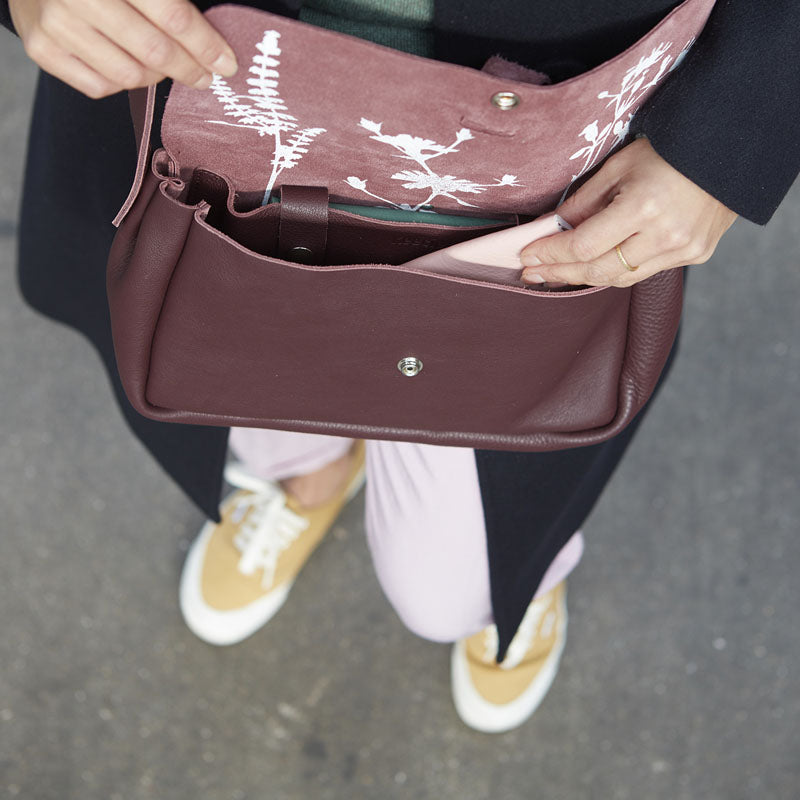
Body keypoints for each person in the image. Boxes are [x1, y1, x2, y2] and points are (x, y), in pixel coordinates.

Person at [3, 0, 798, 734]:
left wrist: (729, 138)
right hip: (216, 96)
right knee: (218, 364)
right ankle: (309, 475)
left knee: (449, 586)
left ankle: (523, 577)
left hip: (550, 132)